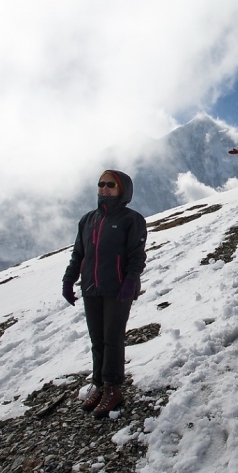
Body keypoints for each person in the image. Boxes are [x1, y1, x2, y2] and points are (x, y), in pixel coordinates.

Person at [62, 169, 147, 419]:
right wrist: (69, 280)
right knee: (97, 340)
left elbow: (136, 256)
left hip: (117, 289)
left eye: (111, 185)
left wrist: (131, 282)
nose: (104, 188)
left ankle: (113, 387)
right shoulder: (88, 220)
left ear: (123, 189)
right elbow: (79, 253)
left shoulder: (132, 219)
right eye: (101, 184)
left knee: (112, 339)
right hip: (91, 288)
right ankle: (99, 384)